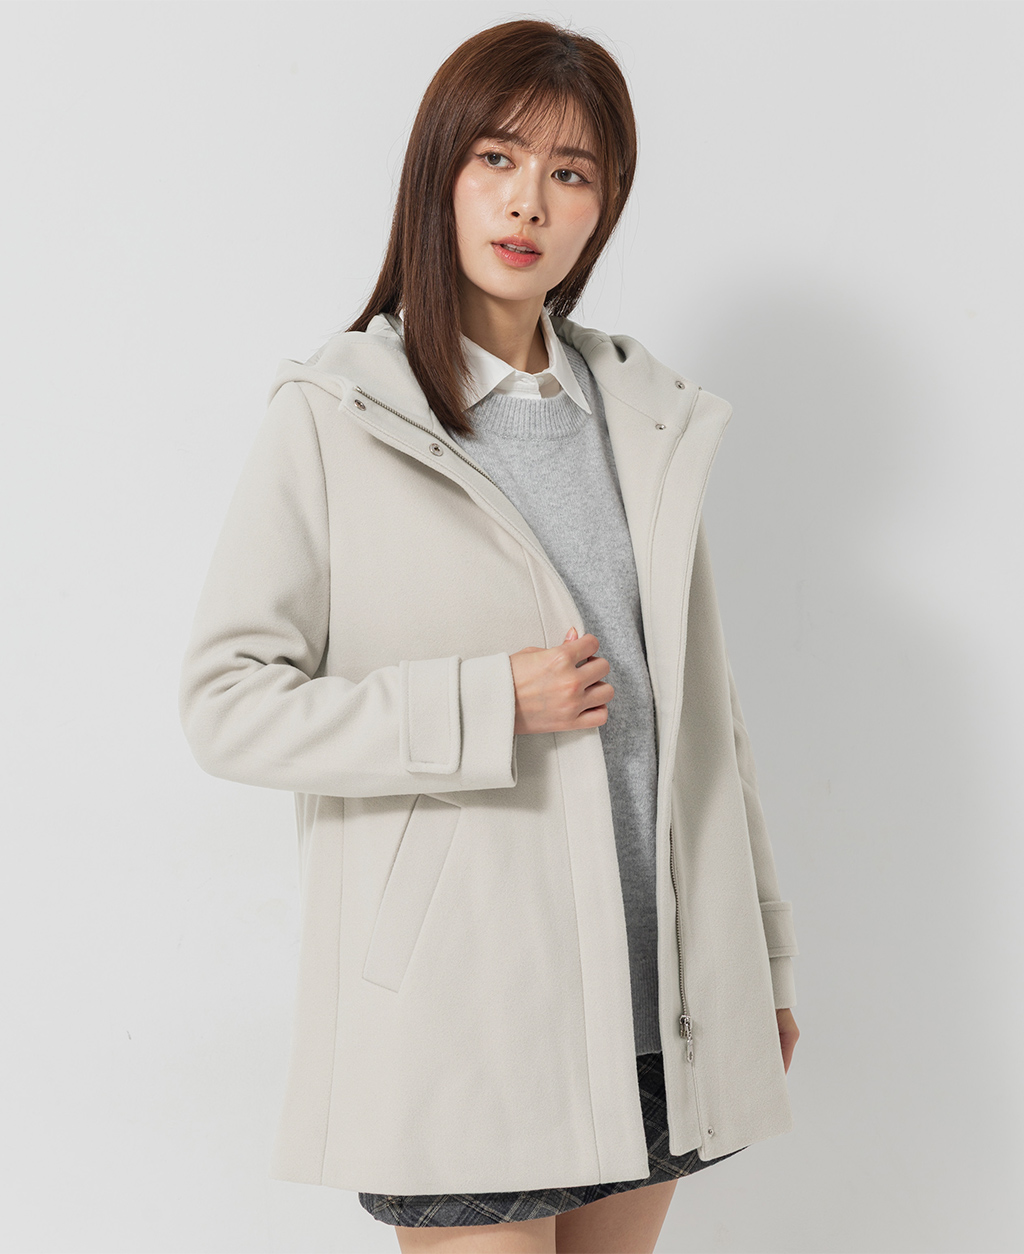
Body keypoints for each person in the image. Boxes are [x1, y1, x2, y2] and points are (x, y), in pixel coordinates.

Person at [178, 18, 801, 1254]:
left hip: (660, 994)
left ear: (602, 207)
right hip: (466, 1010)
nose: (528, 202)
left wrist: (760, 960)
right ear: (441, 173)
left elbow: (706, 717)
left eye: (570, 173)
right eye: (497, 159)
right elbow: (226, 703)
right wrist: (485, 704)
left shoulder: (643, 416)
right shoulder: (338, 414)